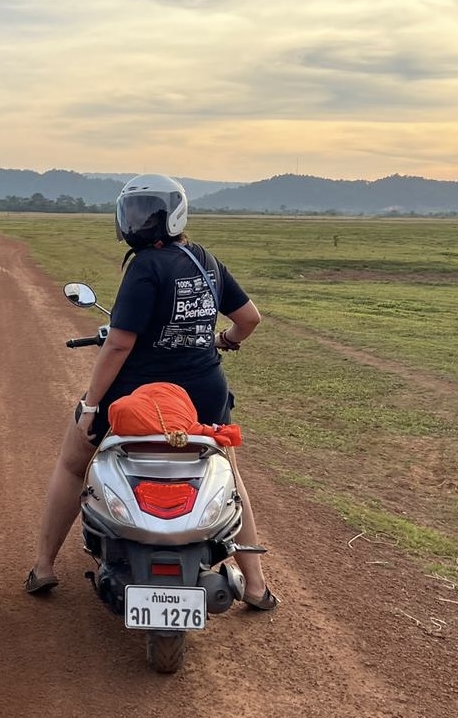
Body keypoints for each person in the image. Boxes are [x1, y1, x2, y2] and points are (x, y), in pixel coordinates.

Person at [24, 173, 278, 611]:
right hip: (202, 394)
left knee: (71, 465)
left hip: (138, 398)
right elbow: (249, 319)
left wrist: (90, 406)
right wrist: (221, 340)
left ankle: (44, 566)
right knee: (229, 477)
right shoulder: (205, 261)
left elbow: (120, 343)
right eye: (137, 212)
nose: (142, 222)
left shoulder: (144, 266)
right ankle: (255, 586)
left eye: (148, 214)